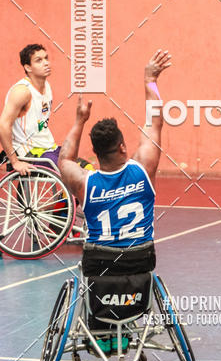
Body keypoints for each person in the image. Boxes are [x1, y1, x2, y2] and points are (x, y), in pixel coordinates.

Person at [58, 49, 170, 247]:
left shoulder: (84, 183)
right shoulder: (142, 170)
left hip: (99, 271)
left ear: (95, 153)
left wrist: (79, 121)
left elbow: (65, 159)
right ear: (123, 147)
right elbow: (155, 122)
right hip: (139, 267)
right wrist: (150, 80)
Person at [0, 44, 58, 174]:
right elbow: (3, 125)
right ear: (27, 67)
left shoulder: (46, 86)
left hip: (47, 147)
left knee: (84, 167)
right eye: (39, 60)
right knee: (70, 171)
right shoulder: (22, 91)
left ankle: (64, 195)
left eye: (46, 58)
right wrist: (15, 161)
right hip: (29, 153)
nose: (46, 63)